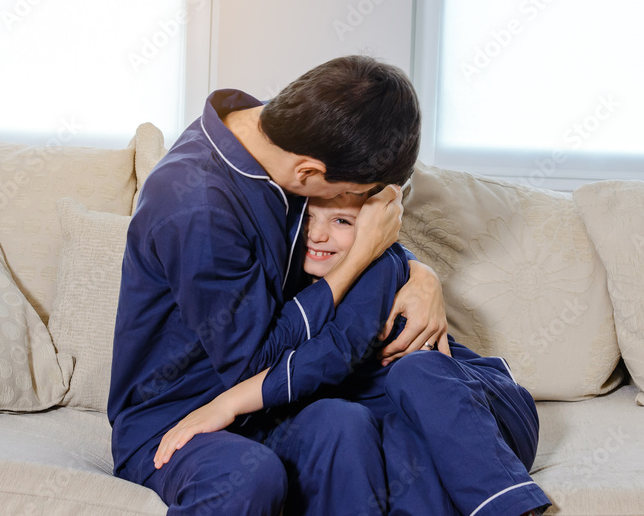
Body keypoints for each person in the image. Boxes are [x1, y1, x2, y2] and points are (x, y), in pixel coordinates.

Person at [108, 56, 449, 515]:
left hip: (276, 406)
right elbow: (254, 363)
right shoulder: (196, 206)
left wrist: (419, 272)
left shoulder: (288, 136)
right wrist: (363, 256)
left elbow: (352, 230)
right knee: (250, 477)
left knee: (348, 424)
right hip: (177, 418)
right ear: (308, 175)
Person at [153, 192, 552, 516]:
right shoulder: (279, 274)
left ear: (374, 233)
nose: (317, 234)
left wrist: (227, 403)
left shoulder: (376, 267)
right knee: (384, 444)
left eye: (341, 221)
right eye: (309, 216)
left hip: (481, 407)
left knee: (413, 373)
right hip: (400, 422)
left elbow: (332, 352)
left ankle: (517, 509)